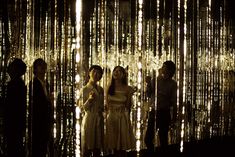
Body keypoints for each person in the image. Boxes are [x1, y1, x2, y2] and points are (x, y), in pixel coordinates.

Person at [145, 60, 177, 152]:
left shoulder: (172, 84)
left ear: (170, 71)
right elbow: (148, 95)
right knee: (148, 138)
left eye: (165, 67)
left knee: (163, 139)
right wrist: (148, 85)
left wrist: (174, 117)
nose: (162, 68)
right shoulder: (155, 80)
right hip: (154, 112)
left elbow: (173, 101)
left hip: (164, 113)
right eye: (162, 66)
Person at [105, 65, 136, 157]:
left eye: (119, 71)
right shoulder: (109, 87)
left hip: (122, 116)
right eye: (115, 70)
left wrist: (130, 95)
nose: (116, 72)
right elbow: (107, 105)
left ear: (123, 75)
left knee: (122, 144)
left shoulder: (128, 88)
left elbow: (128, 107)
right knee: (113, 143)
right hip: (111, 116)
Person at [29, 58, 53, 157]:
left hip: (46, 120)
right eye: (39, 65)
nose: (42, 67)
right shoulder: (33, 84)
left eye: (43, 65)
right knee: (37, 146)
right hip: (37, 121)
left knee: (44, 145)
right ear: (35, 69)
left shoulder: (46, 84)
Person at [78, 65, 104, 157]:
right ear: (89, 73)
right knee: (88, 147)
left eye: (99, 73)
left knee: (98, 147)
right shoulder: (84, 89)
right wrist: (89, 100)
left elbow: (101, 105)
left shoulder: (101, 89)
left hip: (99, 118)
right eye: (94, 71)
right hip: (89, 119)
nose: (96, 74)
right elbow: (82, 108)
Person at [4, 58, 27, 157]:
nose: (9, 68)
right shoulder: (19, 84)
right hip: (16, 124)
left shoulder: (15, 85)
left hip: (13, 124)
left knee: (13, 148)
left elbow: (12, 107)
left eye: (12, 66)